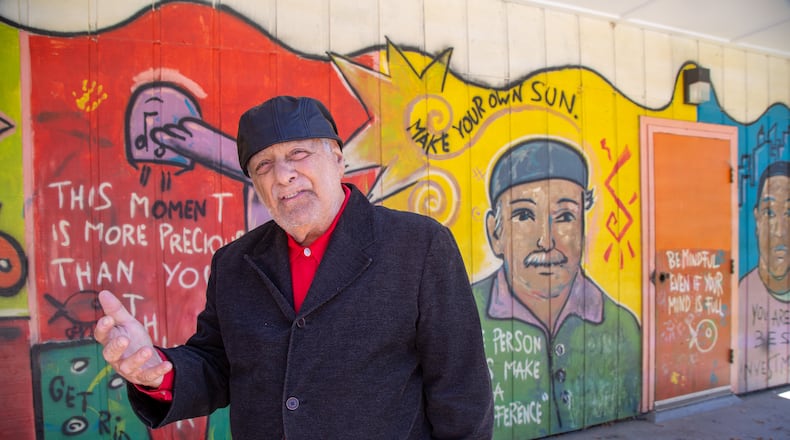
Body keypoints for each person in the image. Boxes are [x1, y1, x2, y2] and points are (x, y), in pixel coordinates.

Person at [95, 95, 494, 439]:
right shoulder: (234, 264)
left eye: (298, 154)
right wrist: (158, 371)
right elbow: (218, 365)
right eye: (263, 165)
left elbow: (461, 390)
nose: (283, 175)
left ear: (338, 161)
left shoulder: (418, 246)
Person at [473, 139, 640, 438]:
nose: (546, 241)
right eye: (524, 215)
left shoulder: (623, 326)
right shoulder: (465, 314)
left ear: (582, 228)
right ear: (494, 233)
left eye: (564, 217)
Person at [738, 160, 790, 391]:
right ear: (757, 219)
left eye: (789, 213)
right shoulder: (742, 294)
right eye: (770, 213)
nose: (780, 230)